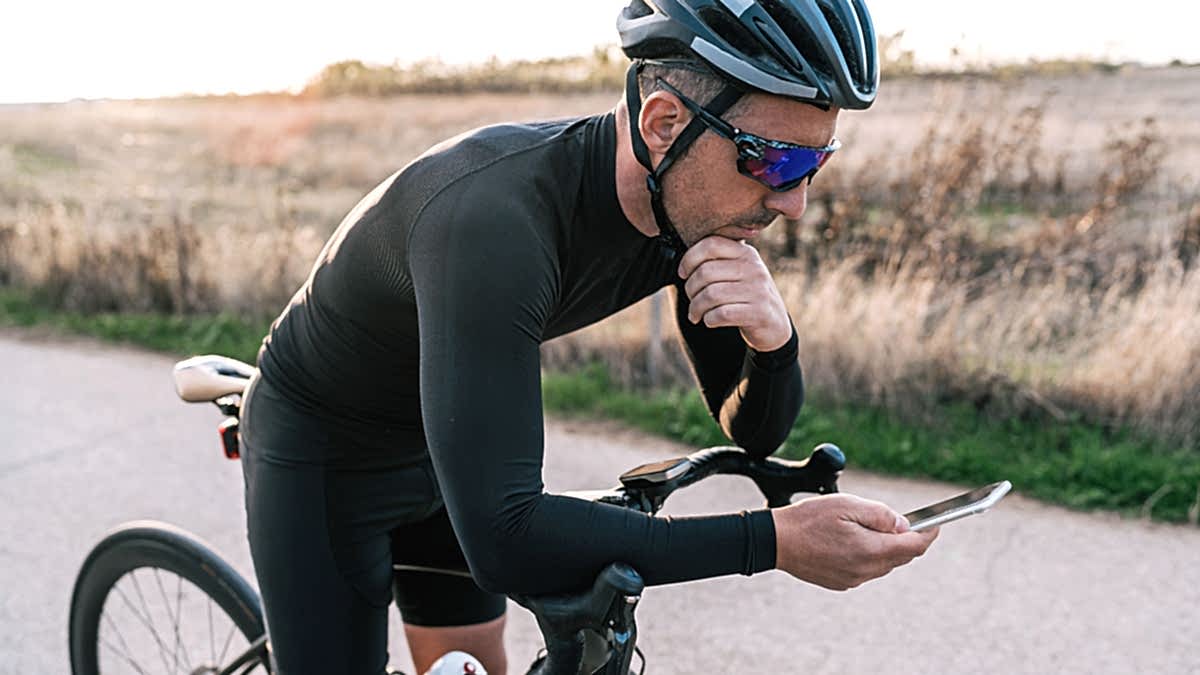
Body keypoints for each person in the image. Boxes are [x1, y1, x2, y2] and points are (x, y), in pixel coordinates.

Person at [237, 1, 939, 673]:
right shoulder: (491, 223)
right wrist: (775, 542)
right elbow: (507, 539)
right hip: (325, 451)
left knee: (476, 666)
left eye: (815, 163)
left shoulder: (685, 212)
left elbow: (750, 429)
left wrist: (773, 342)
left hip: (450, 441)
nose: (795, 202)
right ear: (664, 122)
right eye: (775, 161)